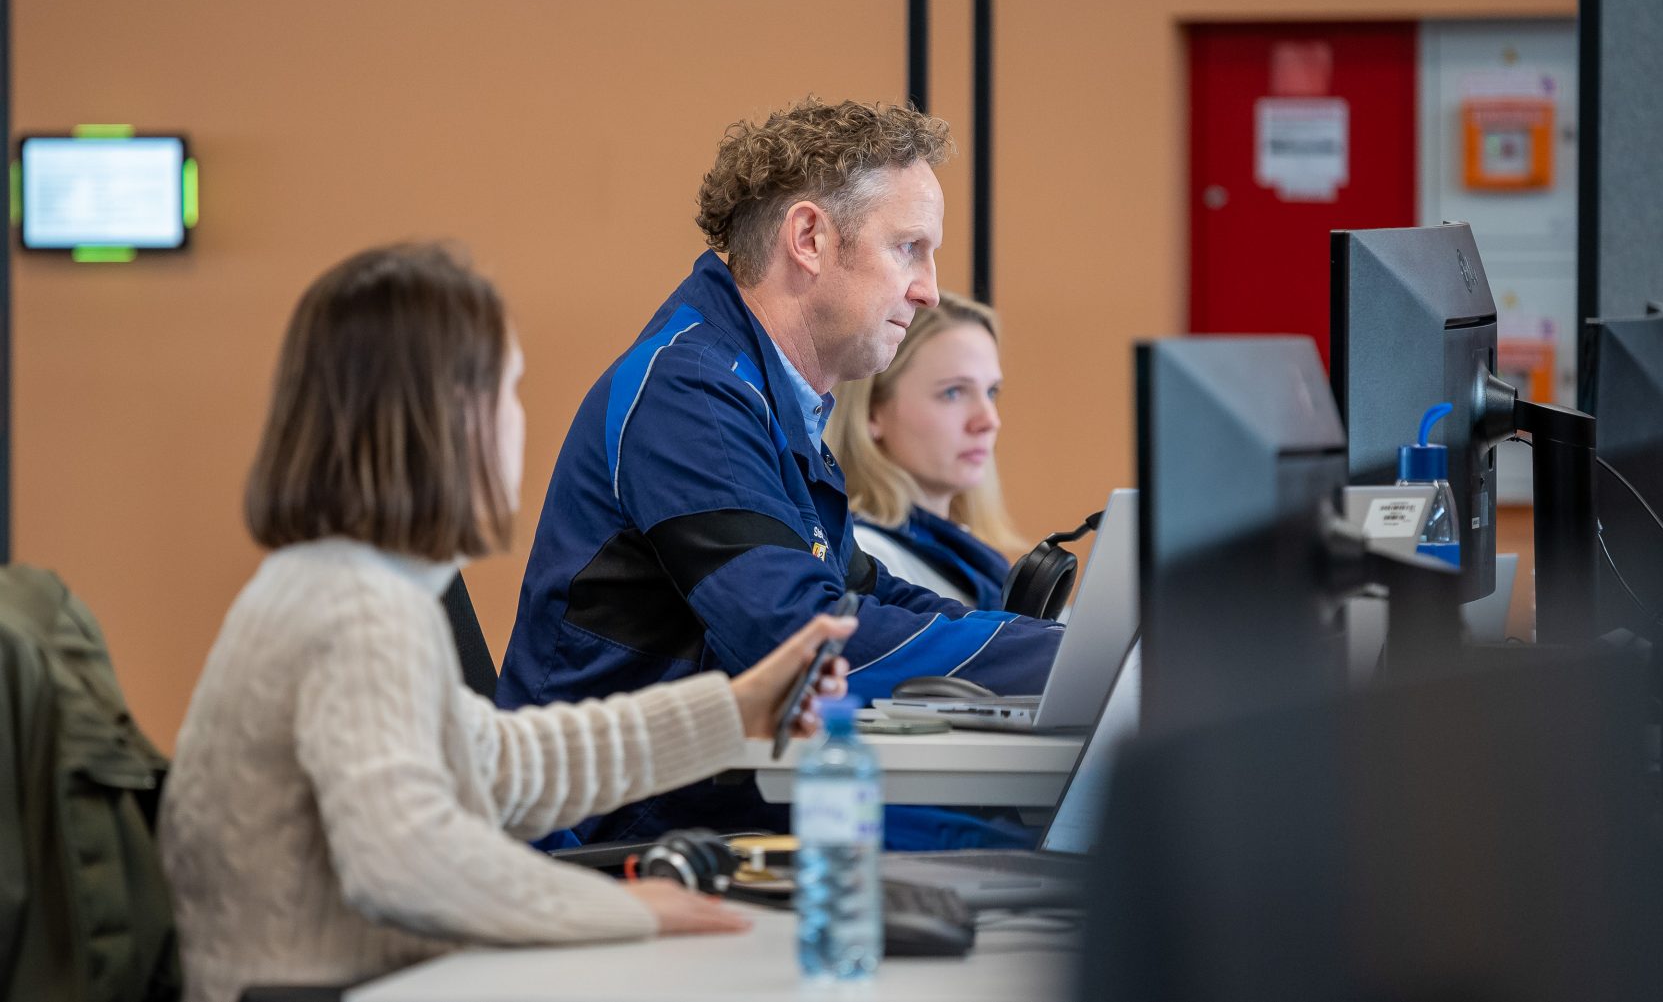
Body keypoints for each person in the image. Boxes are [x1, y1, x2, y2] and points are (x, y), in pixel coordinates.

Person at [158, 244, 854, 1002]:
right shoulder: (356, 608)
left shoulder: (342, 585)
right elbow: (407, 858)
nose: (519, 421)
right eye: (510, 391)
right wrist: (620, 908)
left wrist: (736, 713)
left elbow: (502, 767)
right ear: (452, 416)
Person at [498, 99, 1063, 847]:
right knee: (1020, 848)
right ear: (808, 238)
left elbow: (857, 591)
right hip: (604, 827)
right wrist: (1066, 661)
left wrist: (1050, 644)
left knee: (1024, 837)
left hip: (691, 798)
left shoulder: (761, 391)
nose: (928, 288)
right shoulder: (692, 392)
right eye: (909, 249)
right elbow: (800, 637)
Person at [826, 293, 1025, 609]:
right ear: (872, 412)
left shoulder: (968, 554)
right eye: (953, 392)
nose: (989, 420)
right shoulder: (866, 559)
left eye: (991, 392)